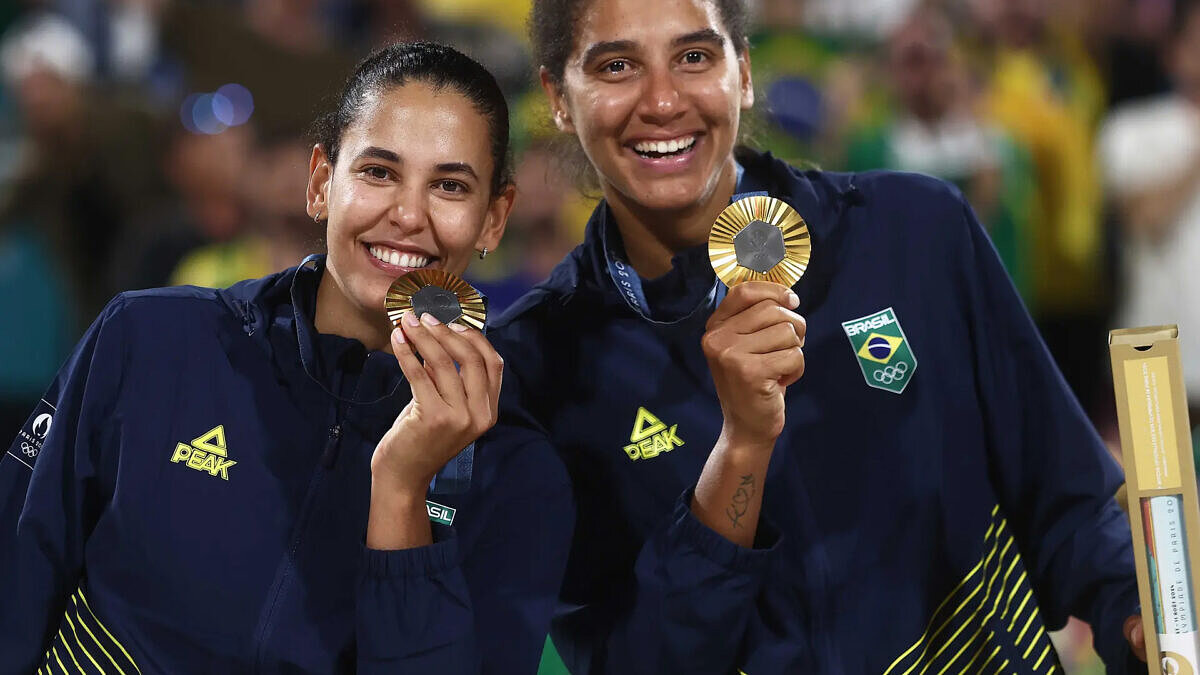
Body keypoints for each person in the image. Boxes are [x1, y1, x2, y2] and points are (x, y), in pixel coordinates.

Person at [489, 0, 1147, 672]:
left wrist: (1134, 611)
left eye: (694, 56)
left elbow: (1069, 502)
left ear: (742, 71)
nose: (662, 100)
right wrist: (741, 448)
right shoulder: (537, 366)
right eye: (616, 65)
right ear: (559, 98)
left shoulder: (916, 231)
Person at [0, 41, 572, 673]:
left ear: (494, 220)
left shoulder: (517, 474)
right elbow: (16, 578)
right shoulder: (150, 338)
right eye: (378, 172)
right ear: (321, 181)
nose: (408, 214)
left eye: (450, 185)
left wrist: (403, 492)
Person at [1099, 0, 1200, 423]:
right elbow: (1144, 218)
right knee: (1159, 493)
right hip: (1152, 356)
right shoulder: (1130, 128)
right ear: (1175, 50)